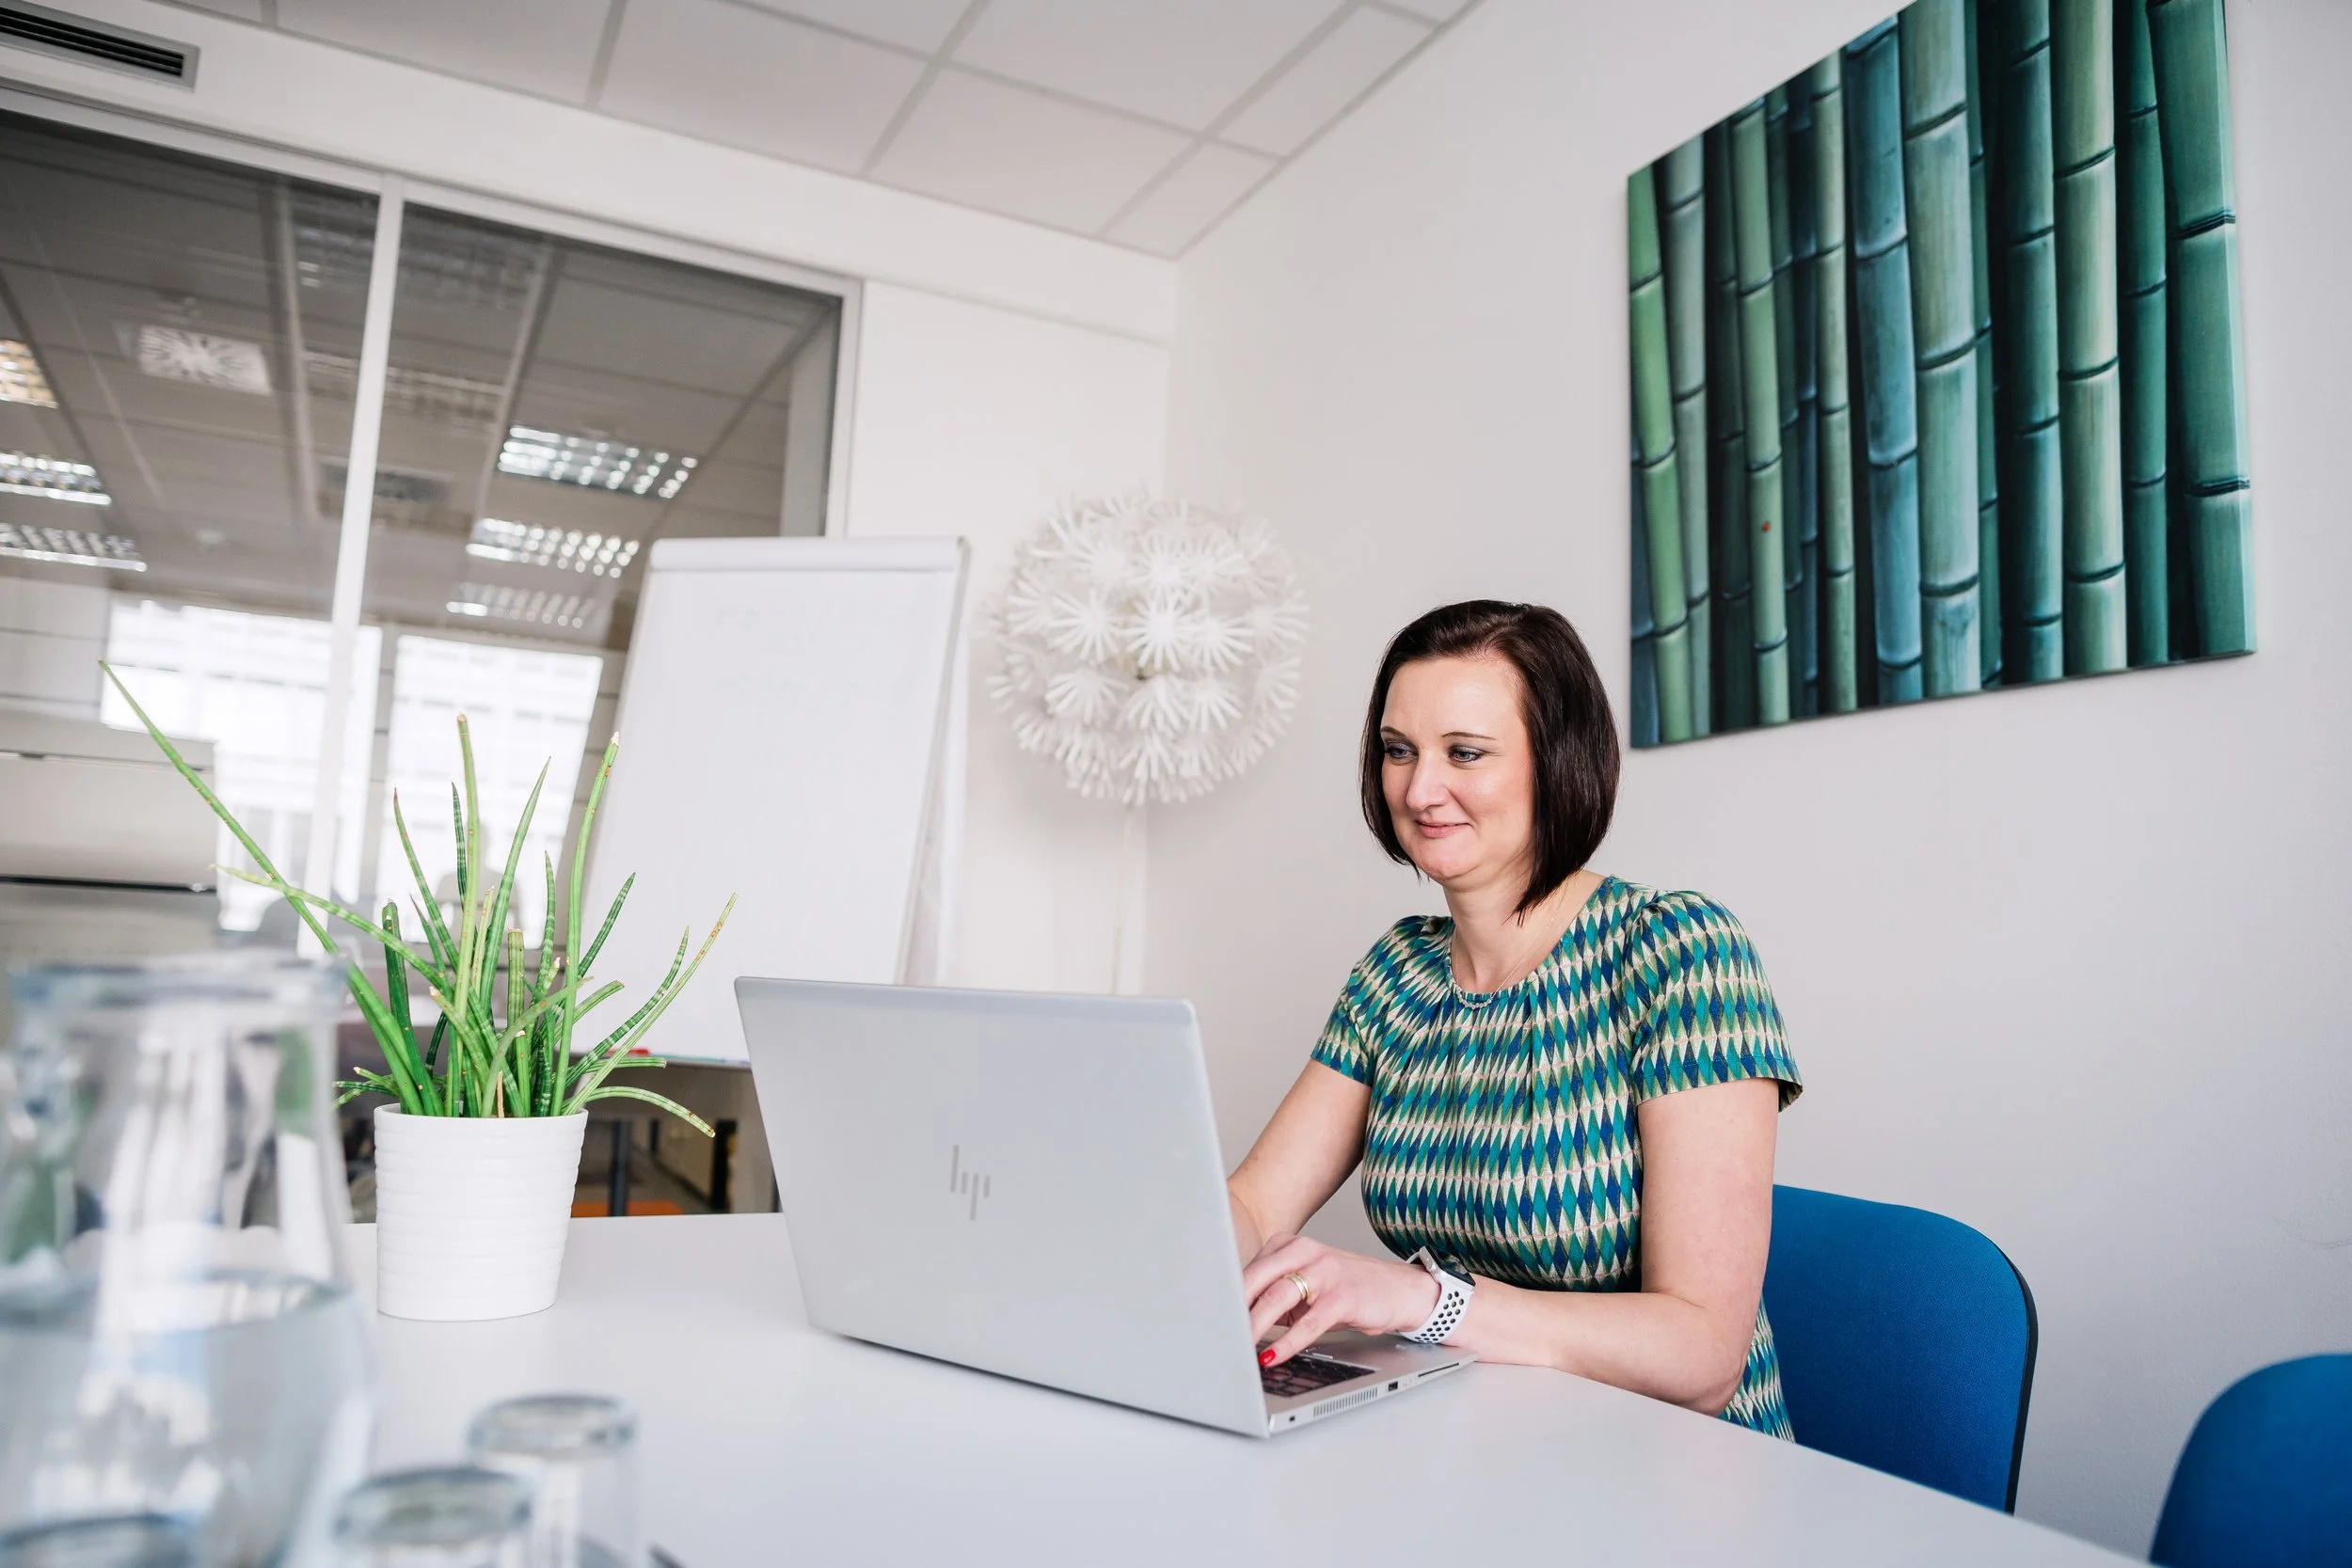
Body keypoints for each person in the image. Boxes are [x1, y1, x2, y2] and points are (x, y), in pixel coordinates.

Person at [1226, 600, 1804, 1436]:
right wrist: (1152, 1242)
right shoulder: (1396, 972)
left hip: (1678, 1473)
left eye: (1465, 752)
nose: (1420, 789)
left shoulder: (1678, 951)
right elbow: (1253, 1203)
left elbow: (1704, 1354)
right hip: (1484, 1447)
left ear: (1557, 763)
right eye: (1398, 751)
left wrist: (1425, 1300)